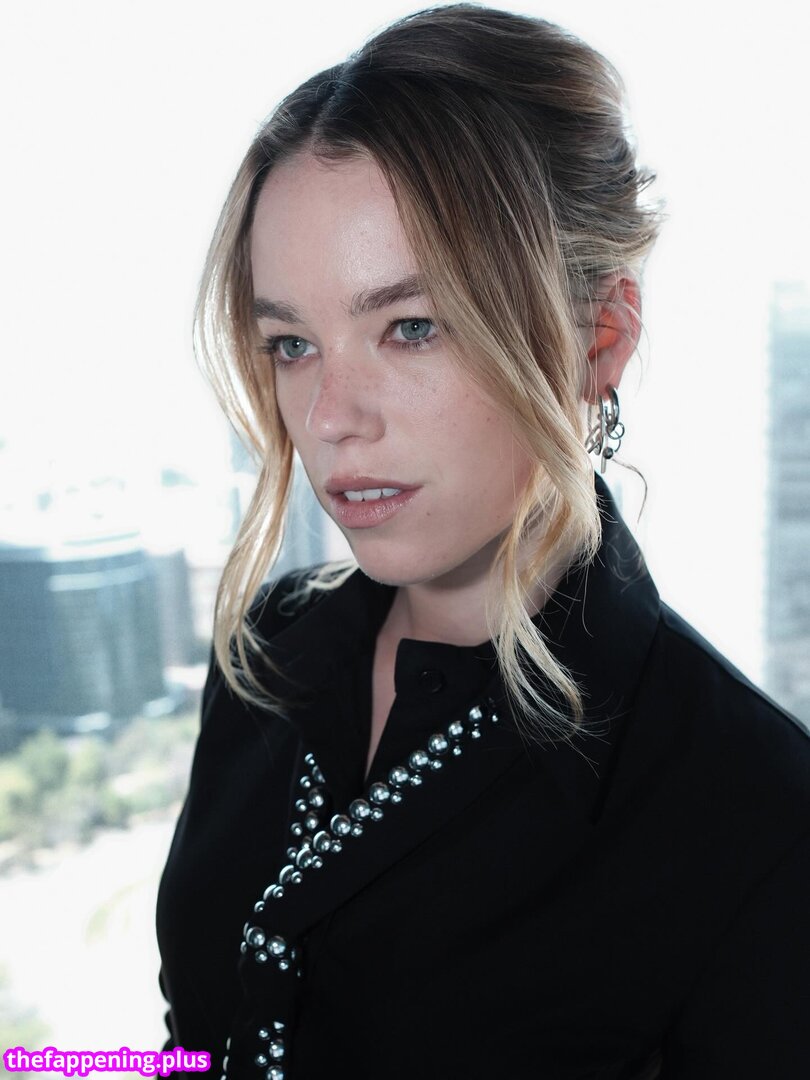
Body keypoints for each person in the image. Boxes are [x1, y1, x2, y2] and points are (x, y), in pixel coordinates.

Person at [155, 5, 810, 1078]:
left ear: (600, 337)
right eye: (292, 343)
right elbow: (188, 1045)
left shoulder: (755, 815)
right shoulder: (266, 653)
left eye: (411, 327)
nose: (330, 419)